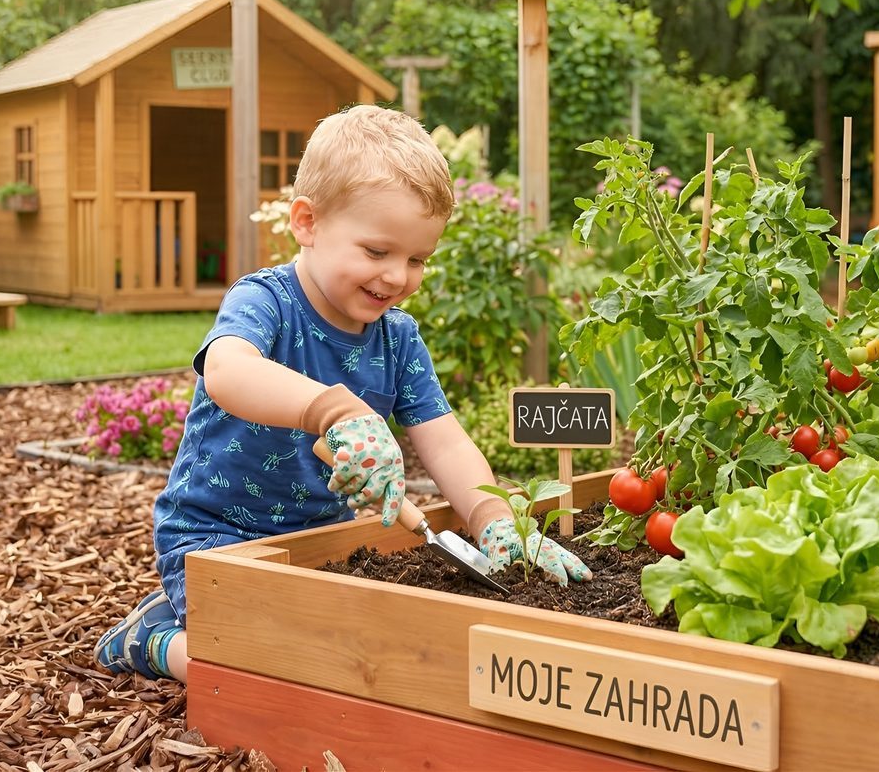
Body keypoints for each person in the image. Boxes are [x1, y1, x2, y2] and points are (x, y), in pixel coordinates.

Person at [94, 104, 591, 682]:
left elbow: (447, 443)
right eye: (377, 252)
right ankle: (153, 638)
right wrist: (336, 410)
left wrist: (494, 519)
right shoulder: (267, 303)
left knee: (348, 657)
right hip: (216, 537)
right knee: (260, 666)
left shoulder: (398, 339)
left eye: (417, 259)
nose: (397, 277)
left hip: (325, 539)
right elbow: (227, 371)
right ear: (306, 222)